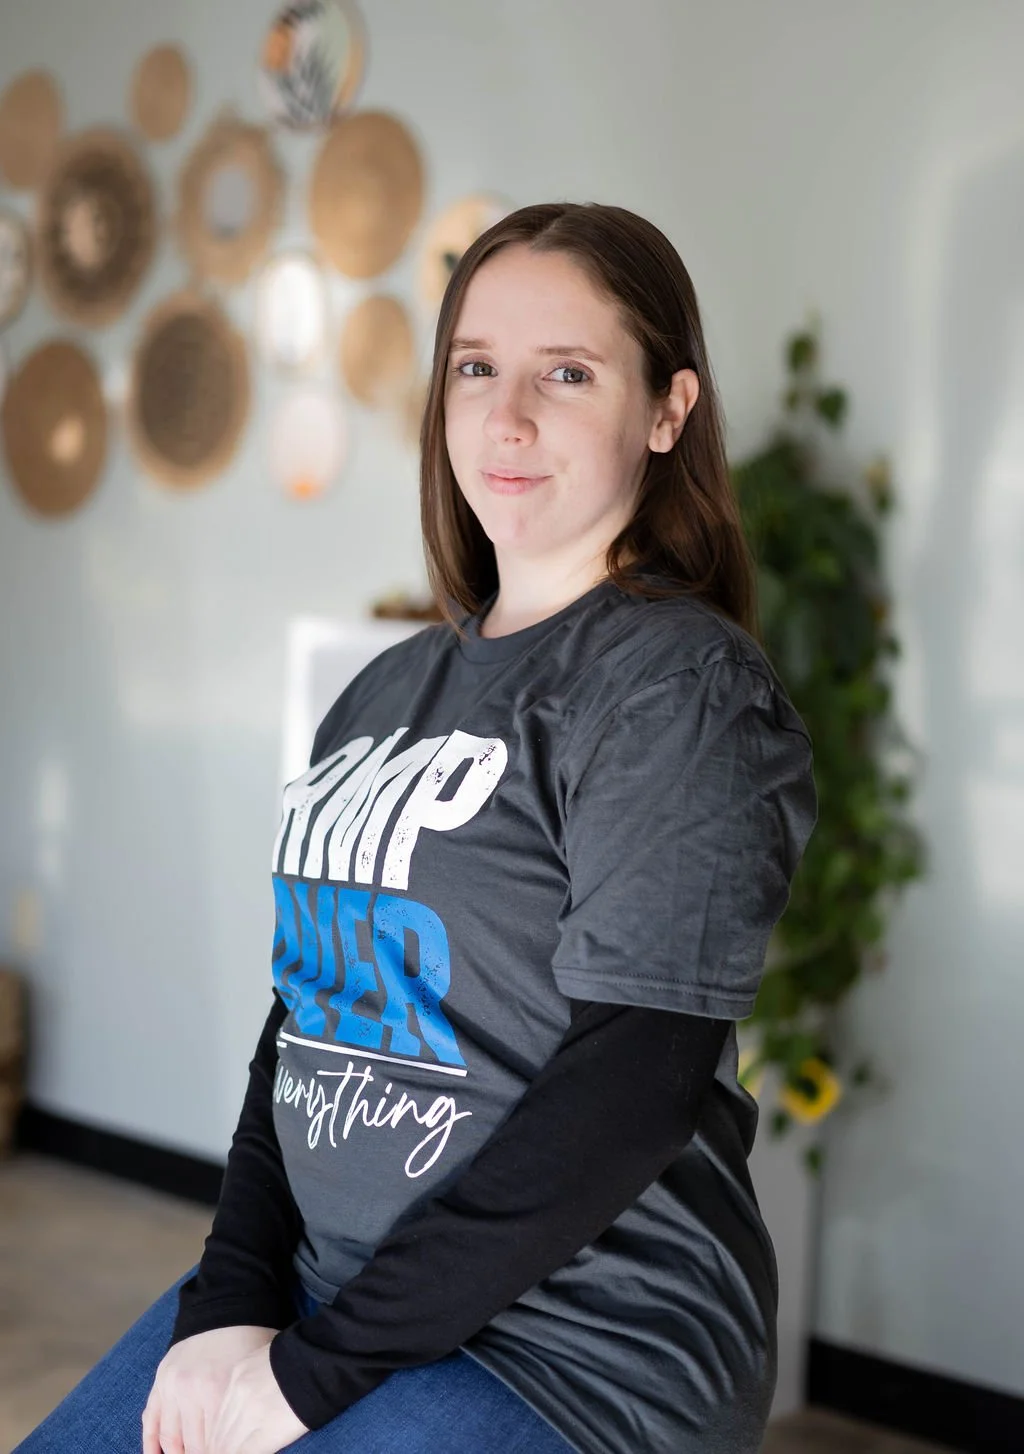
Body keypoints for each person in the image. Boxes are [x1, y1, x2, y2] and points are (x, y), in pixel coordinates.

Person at [15, 201, 817, 1454]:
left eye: (566, 372)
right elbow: (310, 1016)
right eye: (475, 367)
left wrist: (314, 1371)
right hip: (334, 1294)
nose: (507, 417)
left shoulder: (677, 687)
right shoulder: (383, 694)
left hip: (581, 1353)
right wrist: (229, 1300)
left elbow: (635, 1083)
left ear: (666, 411)